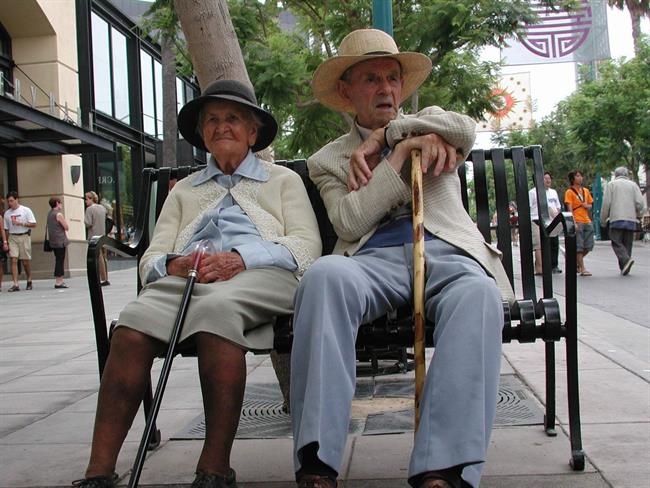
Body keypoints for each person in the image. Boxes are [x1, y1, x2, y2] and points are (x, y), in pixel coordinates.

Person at [290, 29, 514, 488]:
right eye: (371, 78)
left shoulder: (431, 121)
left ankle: (442, 469)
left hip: (448, 254)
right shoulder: (328, 159)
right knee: (325, 276)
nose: (386, 89)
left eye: (392, 78)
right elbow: (350, 222)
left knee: (478, 294)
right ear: (346, 91)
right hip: (372, 260)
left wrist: (391, 137)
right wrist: (399, 159)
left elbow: (466, 129)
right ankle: (317, 463)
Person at [72, 79, 321, 488]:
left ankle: (214, 467)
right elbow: (151, 257)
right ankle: (98, 471)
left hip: (261, 276)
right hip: (187, 277)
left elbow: (305, 247)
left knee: (215, 313)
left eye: (233, 119)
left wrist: (241, 258)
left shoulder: (282, 181)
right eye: (213, 120)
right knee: (131, 328)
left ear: (253, 132)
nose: (222, 126)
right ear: (203, 134)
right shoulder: (185, 190)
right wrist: (174, 263)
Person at [600, 166, 646, 275]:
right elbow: (640, 203)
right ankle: (624, 267)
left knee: (616, 242)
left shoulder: (611, 185)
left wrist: (602, 220)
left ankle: (625, 260)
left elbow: (606, 204)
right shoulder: (633, 185)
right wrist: (639, 214)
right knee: (627, 244)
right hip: (630, 219)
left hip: (616, 218)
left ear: (615, 175)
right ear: (627, 175)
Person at [528, 171, 563, 275]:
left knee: (554, 243)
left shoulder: (553, 192)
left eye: (549, 178)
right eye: (545, 178)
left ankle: (553, 265)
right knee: (538, 245)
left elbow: (558, 206)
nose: (548, 180)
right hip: (536, 220)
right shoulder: (533, 192)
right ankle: (539, 267)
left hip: (552, 220)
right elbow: (528, 207)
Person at [3, 191, 36, 291]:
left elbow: (34, 224)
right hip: (13, 237)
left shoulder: (25, 210)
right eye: (8, 201)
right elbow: (6, 229)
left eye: (12, 201)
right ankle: (15, 283)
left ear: (17, 199)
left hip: (24, 236)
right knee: (13, 259)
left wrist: (21, 223)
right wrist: (6, 241)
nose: (10, 203)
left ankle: (29, 279)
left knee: (25, 261)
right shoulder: (7, 213)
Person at [564, 170, 594, 276]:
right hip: (577, 220)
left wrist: (587, 206)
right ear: (573, 179)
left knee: (589, 245)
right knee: (579, 246)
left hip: (587, 220)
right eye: (577, 176)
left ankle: (575, 261)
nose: (580, 178)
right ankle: (582, 268)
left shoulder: (585, 191)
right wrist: (573, 222)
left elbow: (590, 204)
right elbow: (569, 208)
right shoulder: (570, 192)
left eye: (581, 176)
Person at [84, 191, 110, 286]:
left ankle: (103, 279)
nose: (85, 201)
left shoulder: (89, 209)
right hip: (102, 234)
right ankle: (106, 277)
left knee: (98, 257)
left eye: (86, 199)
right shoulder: (103, 208)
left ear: (91, 199)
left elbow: (88, 223)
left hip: (94, 236)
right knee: (103, 256)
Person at [47, 197, 70, 288]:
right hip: (60, 241)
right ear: (57, 203)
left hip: (53, 241)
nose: (61, 205)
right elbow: (66, 227)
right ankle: (59, 281)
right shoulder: (58, 214)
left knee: (58, 259)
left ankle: (59, 280)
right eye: (60, 203)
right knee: (60, 260)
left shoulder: (49, 214)